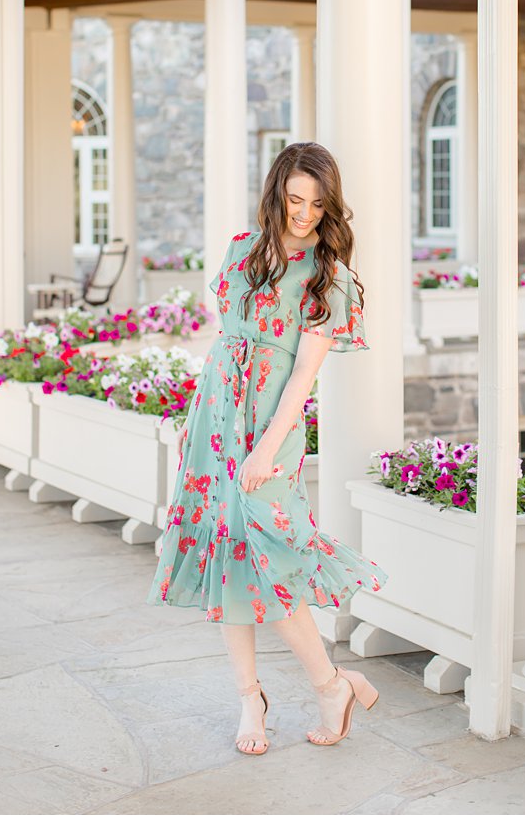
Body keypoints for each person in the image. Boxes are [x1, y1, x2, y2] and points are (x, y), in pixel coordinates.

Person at [147, 141, 387, 754]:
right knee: (228, 556)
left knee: (270, 561)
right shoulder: (240, 249)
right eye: (295, 198)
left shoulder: (329, 276)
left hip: (269, 429)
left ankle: (331, 684)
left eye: (317, 202)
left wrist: (264, 450)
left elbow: (303, 378)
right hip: (217, 419)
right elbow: (224, 340)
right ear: (277, 191)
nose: (304, 212)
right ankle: (250, 698)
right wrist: (198, 416)